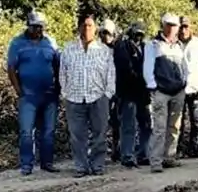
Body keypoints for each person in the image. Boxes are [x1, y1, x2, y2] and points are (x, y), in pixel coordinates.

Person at [59, 12, 117, 178]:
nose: (87, 29)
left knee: (99, 134)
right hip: (74, 98)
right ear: (78, 28)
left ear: (96, 29)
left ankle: (97, 165)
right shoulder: (68, 50)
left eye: (90, 25)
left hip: (98, 97)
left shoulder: (104, 51)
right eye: (84, 25)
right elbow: (62, 73)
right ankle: (81, 166)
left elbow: (111, 74)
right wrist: (65, 93)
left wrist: (108, 94)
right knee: (77, 135)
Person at [6, 11, 60, 176]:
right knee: (26, 131)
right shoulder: (17, 43)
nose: (38, 30)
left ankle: (47, 163)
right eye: (35, 27)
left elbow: (58, 65)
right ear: (28, 26)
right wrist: (18, 90)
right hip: (28, 95)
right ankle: (27, 164)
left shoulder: (50, 41)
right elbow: (11, 68)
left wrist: (58, 85)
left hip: (49, 94)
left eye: (41, 27)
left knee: (49, 130)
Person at [143, 13, 188, 173]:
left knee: (174, 127)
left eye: (174, 25)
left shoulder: (179, 46)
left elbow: (184, 67)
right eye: (168, 24)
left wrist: (185, 84)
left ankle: (169, 157)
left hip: (178, 91)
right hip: (161, 92)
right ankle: (155, 161)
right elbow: (148, 68)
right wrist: (153, 87)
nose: (171, 28)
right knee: (159, 128)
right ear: (163, 25)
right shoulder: (153, 45)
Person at [113, 21, 152, 168]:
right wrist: (141, 79)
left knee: (146, 124)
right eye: (136, 33)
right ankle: (127, 156)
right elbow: (125, 69)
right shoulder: (123, 46)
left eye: (141, 34)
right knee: (128, 126)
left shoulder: (144, 47)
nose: (138, 36)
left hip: (142, 93)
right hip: (128, 92)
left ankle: (143, 154)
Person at [178, 16, 198, 158]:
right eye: (181, 27)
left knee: (196, 121)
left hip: (195, 87)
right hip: (178, 88)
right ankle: (178, 149)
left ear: (191, 28)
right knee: (178, 122)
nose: (183, 30)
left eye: (186, 27)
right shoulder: (173, 43)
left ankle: (194, 148)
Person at [99, 20, 121, 162]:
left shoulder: (119, 48)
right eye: (103, 33)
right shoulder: (96, 50)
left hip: (118, 89)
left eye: (108, 33)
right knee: (100, 123)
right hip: (101, 90)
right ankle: (99, 152)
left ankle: (116, 150)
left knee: (117, 122)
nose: (105, 36)